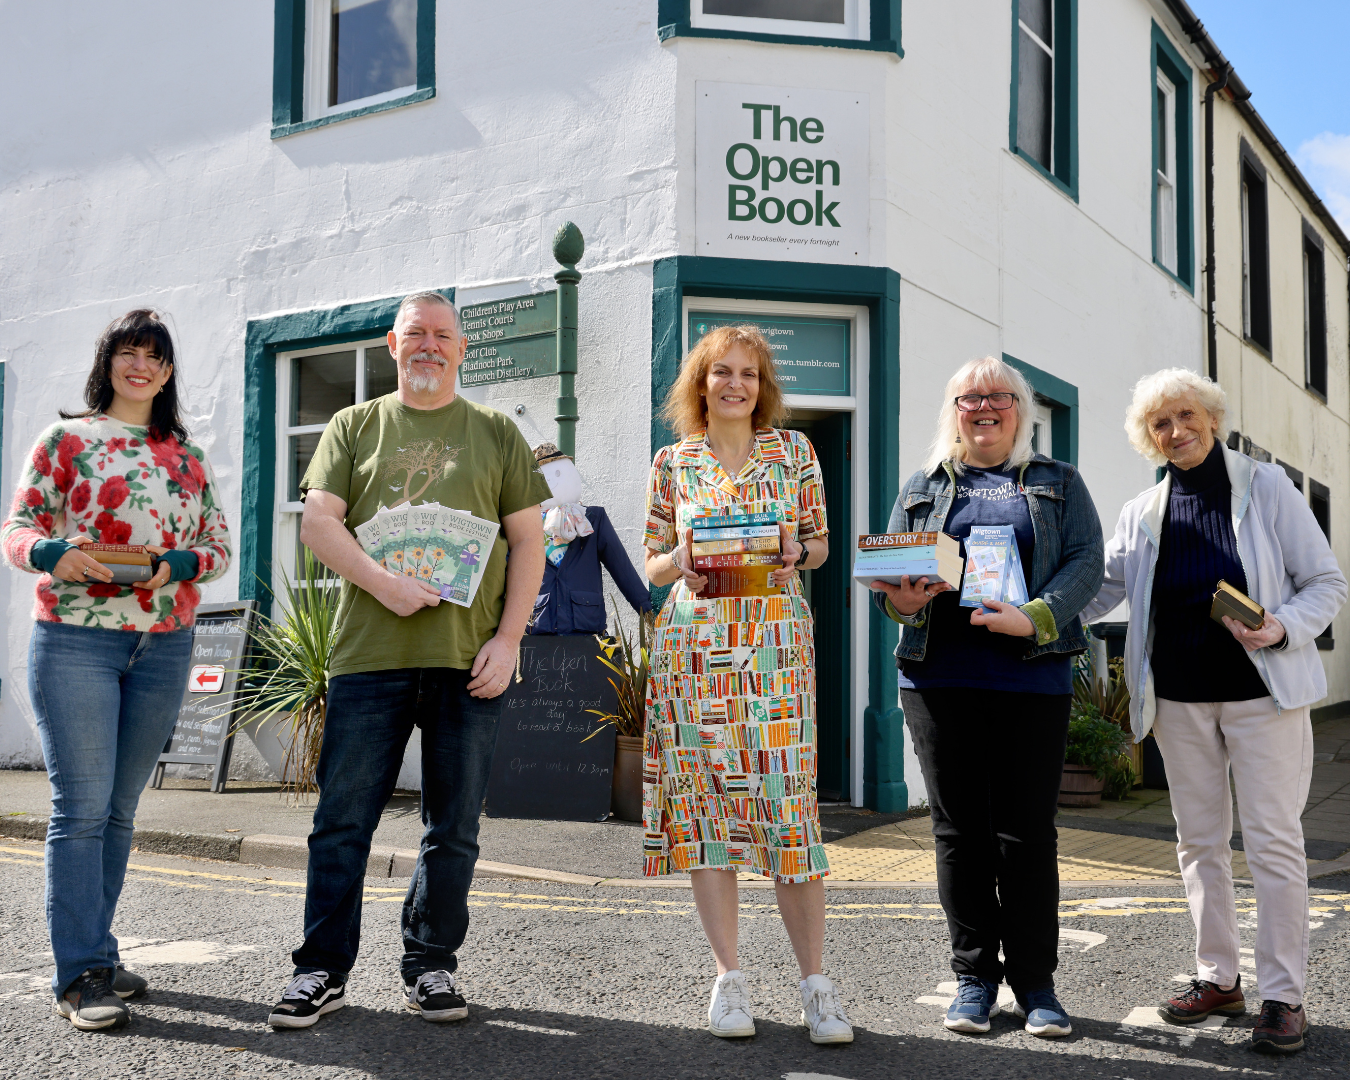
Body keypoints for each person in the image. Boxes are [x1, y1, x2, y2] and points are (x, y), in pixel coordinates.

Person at [267, 291, 549, 1030]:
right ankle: (320, 970)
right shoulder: (353, 425)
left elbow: (528, 541)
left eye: (441, 336)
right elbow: (320, 524)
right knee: (341, 821)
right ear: (393, 345)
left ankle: (430, 966)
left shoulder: (494, 432)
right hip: (369, 657)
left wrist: (511, 638)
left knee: (453, 826)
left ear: (461, 350)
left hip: (469, 660)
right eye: (414, 334)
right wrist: (385, 584)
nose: (428, 345)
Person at [1082, 369, 1346, 1055]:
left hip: (1264, 698)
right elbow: (1103, 587)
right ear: (1149, 436)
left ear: (1212, 418)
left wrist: (1280, 627)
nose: (1176, 431)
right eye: (1161, 423)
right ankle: (1218, 977)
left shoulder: (1267, 487)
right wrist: (1034, 618)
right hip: (1178, 700)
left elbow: (1325, 582)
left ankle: (1284, 995)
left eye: (1186, 416)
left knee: (1273, 843)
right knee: (1198, 844)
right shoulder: (1141, 510)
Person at [0, 309, 232, 1031]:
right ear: (109, 363)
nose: (142, 367)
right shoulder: (65, 439)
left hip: (162, 645)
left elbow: (218, 545)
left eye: (155, 358)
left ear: (167, 373)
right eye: (129, 353)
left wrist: (176, 564)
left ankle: (98, 948)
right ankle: (78, 976)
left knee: (121, 811)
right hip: (76, 640)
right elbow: (17, 528)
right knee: (80, 808)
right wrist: (52, 554)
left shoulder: (185, 457)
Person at [870, 356, 1103, 1038]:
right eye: (970, 398)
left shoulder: (1059, 482)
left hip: (1032, 677)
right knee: (958, 834)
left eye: (999, 397)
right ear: (954, 411)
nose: (985, 407)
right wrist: (904, 601)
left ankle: (1036, 985)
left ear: (1020, 410)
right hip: (937, 677)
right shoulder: (924, 485)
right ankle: (973, 979)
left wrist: (1036, 615)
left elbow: (1085, 562)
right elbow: (895, 586)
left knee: (1027, 836)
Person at [642, 324, 852, 1045]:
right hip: (695, 654)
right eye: (722, 372)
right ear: (700, 383)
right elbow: (649, 565)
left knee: (788, 809)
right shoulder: (673, 462)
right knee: (706, 816)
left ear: (763, 387)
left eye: (750, 374)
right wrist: (678, 558)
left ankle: (816, 988)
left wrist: (800, 548)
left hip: (775, 655)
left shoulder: (794, 453)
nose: (736, 385)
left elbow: (820, 543)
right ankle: (729, 982)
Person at [527, 442, 651, 635]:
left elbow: (620, 565)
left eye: (558, 473)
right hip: (539, 627)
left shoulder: (591, 518)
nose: (552, 481)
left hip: (585, 624)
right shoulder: (524, 525)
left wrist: (646, 609)